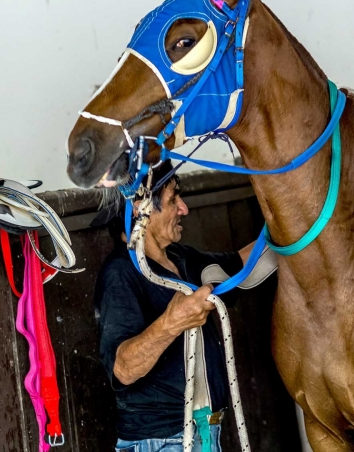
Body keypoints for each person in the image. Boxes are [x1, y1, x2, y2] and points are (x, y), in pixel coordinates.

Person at [94, 160, 253, 452]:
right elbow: (124, 368)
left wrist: (297, 223)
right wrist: (172, 322)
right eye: (172, 200)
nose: (183, 209)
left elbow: (245, 265)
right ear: (142, 209)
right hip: (161, 443)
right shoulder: (121, 273)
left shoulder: (181, 258)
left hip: (202, 435)